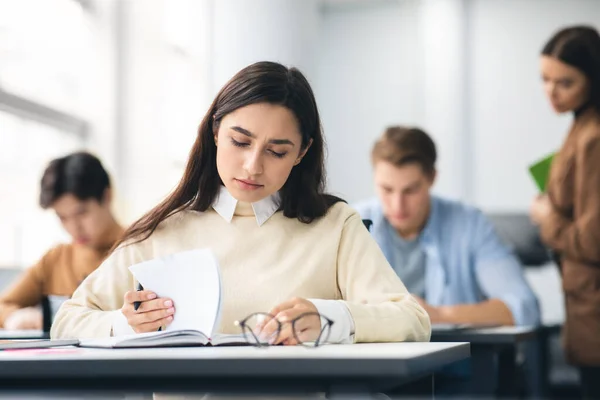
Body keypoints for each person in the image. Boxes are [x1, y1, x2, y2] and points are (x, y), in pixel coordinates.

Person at [51, 61, 430, 345]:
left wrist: (331, 319)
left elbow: (412, 319)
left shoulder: (335, 225)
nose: (253, 166)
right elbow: (67, 321)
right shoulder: (163, 229)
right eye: (240, 141)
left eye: (277, 151)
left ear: (302, 153)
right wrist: (124, 323)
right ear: (216, 132)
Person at [355, 126, 540, 328]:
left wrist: (436, 314)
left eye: (411, 190)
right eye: (387, 189)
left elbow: (525, 307)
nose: (398, 204)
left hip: (453, 358)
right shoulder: (351, 223)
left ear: (432, 178)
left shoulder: (470, 224)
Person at [530, 25, 600, 399]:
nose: (551, 92)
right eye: (545, 79)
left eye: (565, 82)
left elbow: (592, 240)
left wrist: (547, 218)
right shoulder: (580, 125)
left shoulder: (594, 137)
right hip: (584, 302)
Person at [0, 152, 123, 330]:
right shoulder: (55, 259)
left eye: (82, 213)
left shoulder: (140, 247)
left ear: (107, 196)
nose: (74, 228)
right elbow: (3, 305)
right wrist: (15, 317)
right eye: (62, 217)